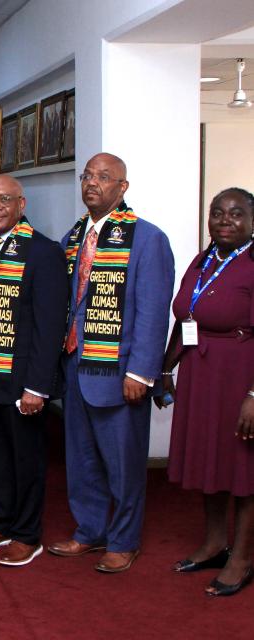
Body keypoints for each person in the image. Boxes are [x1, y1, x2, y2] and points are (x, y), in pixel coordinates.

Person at [49, 152, 174, 573]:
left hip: (119, 372)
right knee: (81, 461)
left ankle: (123, 539)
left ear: (122, 188)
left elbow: (154, 311)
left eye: (104, 177)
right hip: (75, 368)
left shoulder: (147, 238)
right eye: (87, 176)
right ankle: (90, 531)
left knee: (122, 464)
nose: (92, 183)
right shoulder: (74, 238)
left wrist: (141, 371)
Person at [0, 175, 69, 566]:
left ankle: (27, 533)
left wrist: (38, 387)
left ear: (21, 204)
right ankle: (0, 521)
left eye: (3, 199)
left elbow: (50, 323)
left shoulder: (42, 252)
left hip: (23, 380)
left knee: (26, 459)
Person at [157, 187, 254, 596]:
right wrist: (166, 366)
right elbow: (186, 317)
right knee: (210, 462)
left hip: (240, 376)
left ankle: (244, 556)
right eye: (217, 213)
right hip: (200, 372)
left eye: (235, 214)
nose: (225, 220)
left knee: (243, 467)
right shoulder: (204, 259)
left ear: (252, 221)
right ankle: (215, 542)